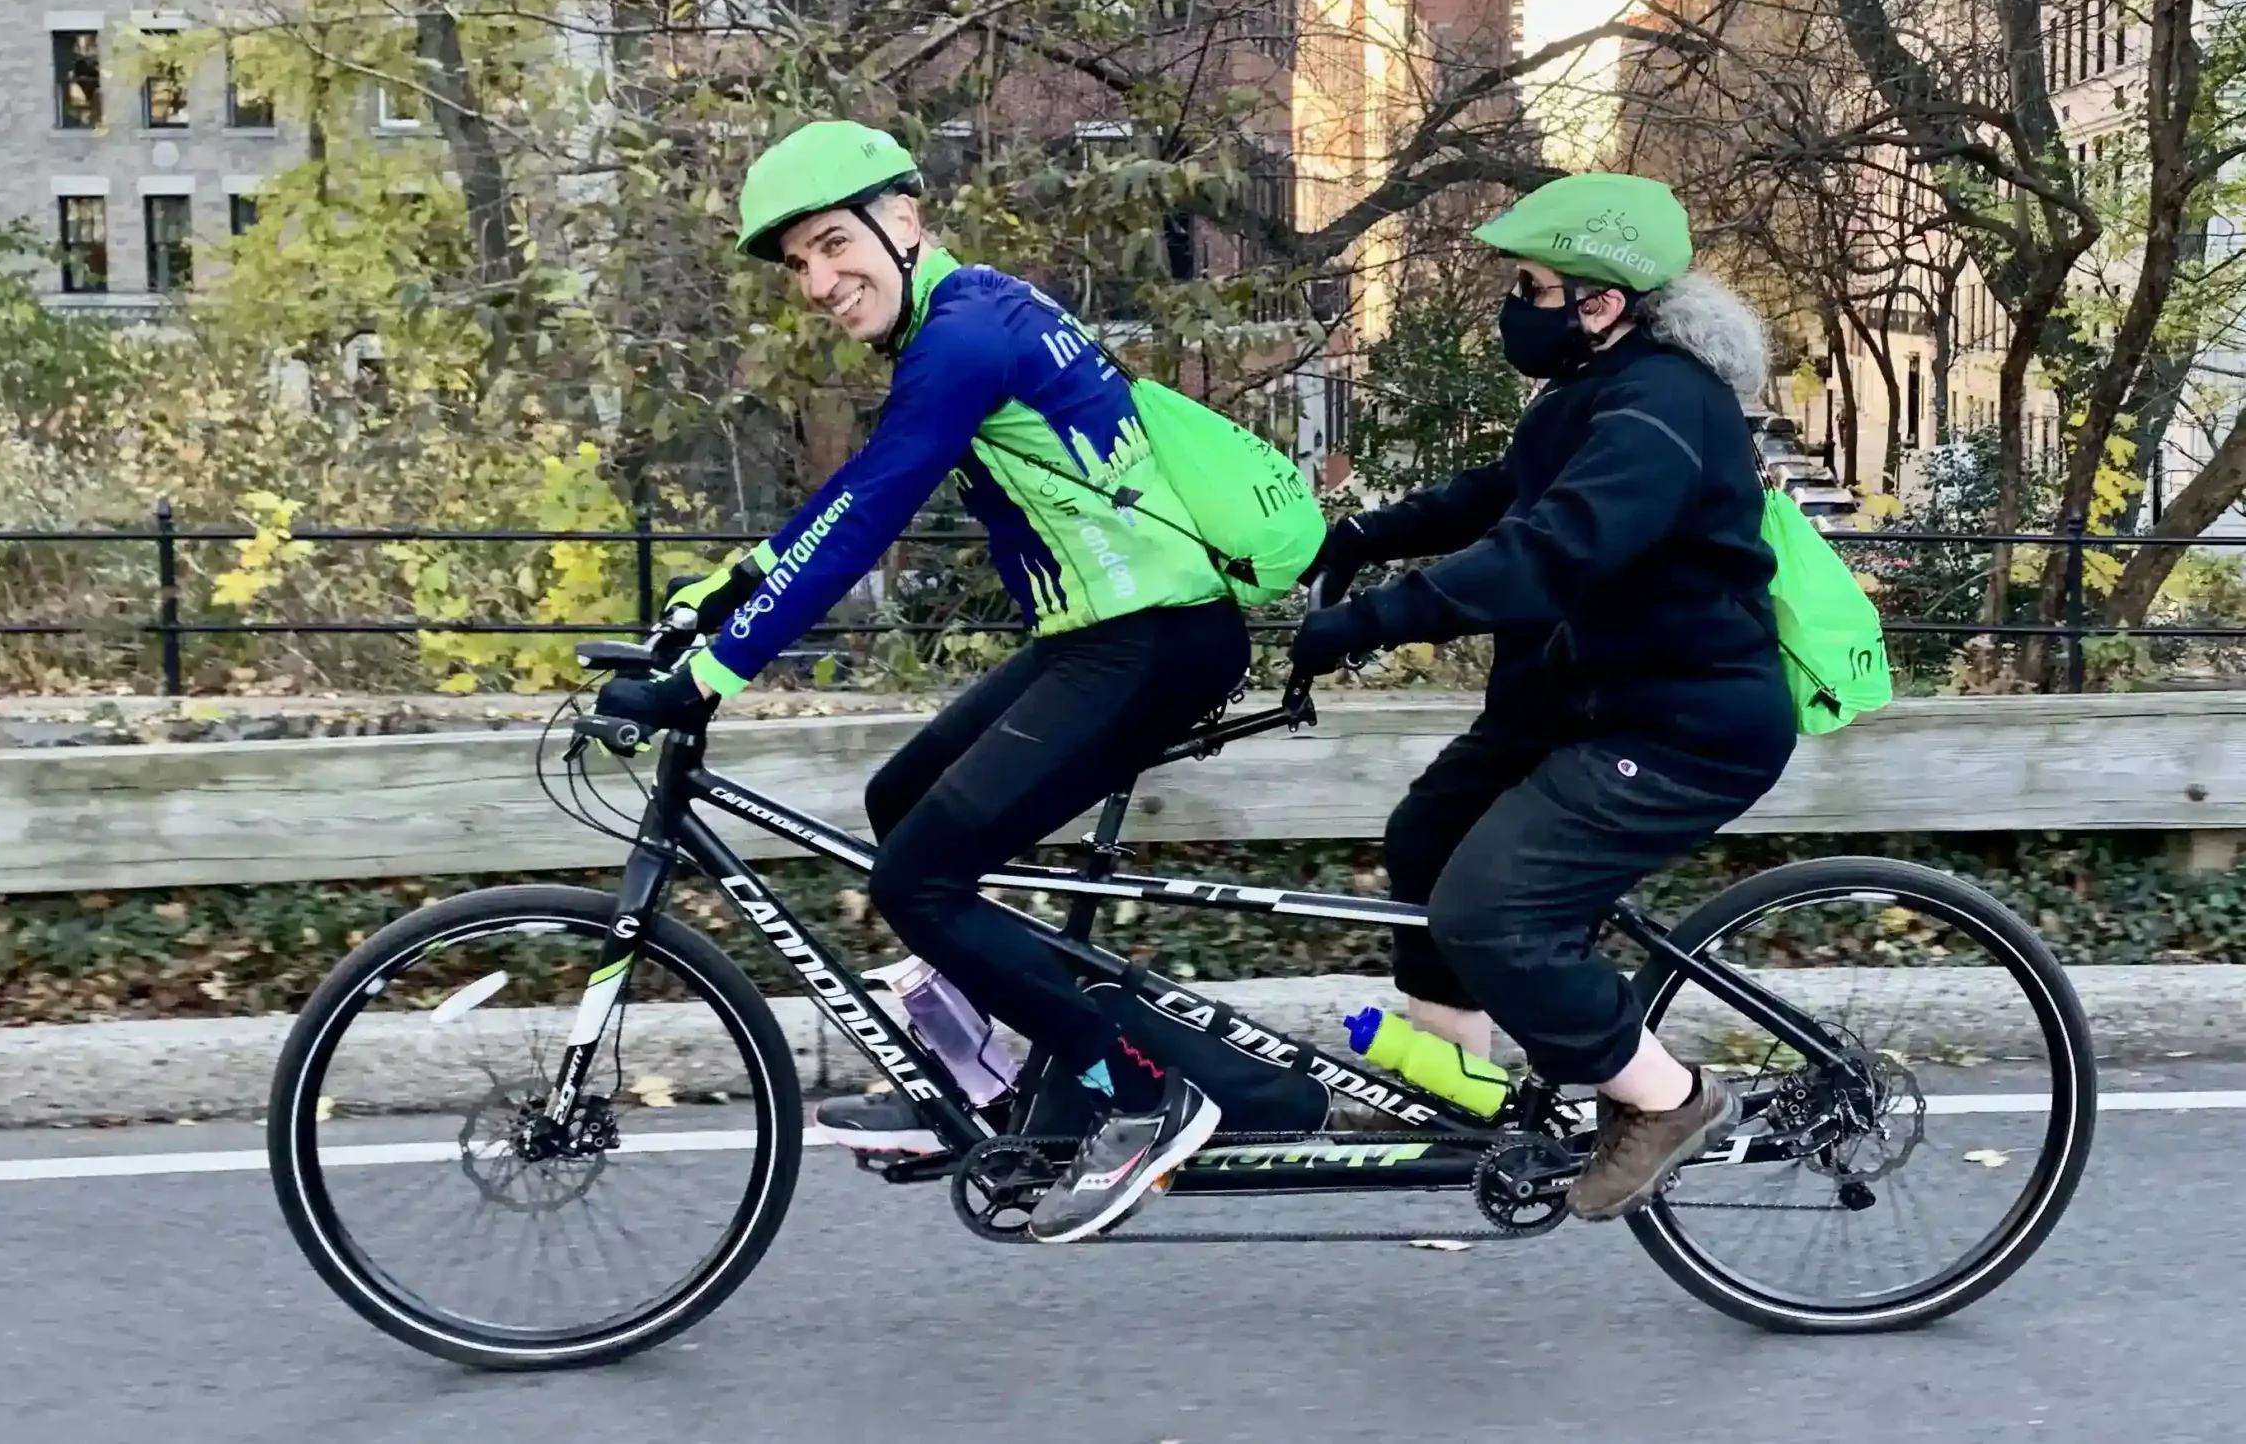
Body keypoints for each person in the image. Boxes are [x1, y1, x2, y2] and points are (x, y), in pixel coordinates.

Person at [593, 118, 1250, 1244]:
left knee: (918, 881)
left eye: (832, 245)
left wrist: (709, 677)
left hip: (1153, 639)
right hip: (1101, 636)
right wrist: (726, 589)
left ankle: (1142, 1096)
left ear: (902, 221)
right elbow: (863, 485)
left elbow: (869, 515)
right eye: (798, 263)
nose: (816, 282)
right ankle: (988, 1077)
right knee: (899, 805)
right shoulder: (962, 316)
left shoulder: (964, 333)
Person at [1292, 172, 1794, 1221]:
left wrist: (1372, 622)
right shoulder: (1594, 387)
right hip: (1576, 703)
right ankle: (1456, 1086)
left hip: (1680, 724)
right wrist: (1364, 536)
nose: (1513, 306)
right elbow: (1507, 493)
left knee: (1493, 915)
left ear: (1601, 303)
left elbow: (1552, 549)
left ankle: (1669, 1100)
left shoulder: (1661, 408)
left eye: (1531, 287)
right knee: (1428, 835)